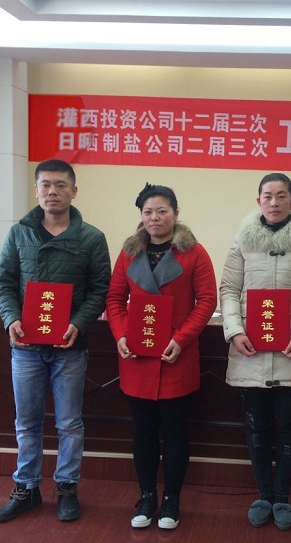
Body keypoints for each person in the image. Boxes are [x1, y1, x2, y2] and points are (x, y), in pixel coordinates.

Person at [0, 159, 111, 523]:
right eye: (45, 185)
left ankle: (67, 488)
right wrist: (11, 319)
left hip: (69, 349)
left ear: (74, 191)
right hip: (26, 348)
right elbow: (3, 282)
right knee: (26, 423)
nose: (52, 192)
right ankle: (26, 488)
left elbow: (101, 290)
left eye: (60, 185)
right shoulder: (19, 233)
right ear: (36, 190)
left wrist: (78, 323)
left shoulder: (91, 237)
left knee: (69, 423)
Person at [219, 173, 291, 531]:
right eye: (267, 195)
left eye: (282, 196)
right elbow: (229, 289)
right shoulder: (243, 239)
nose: (274, 202)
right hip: (249, 349)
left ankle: (282, 496)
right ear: (258, 201)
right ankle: (263, 494)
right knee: (256, 426)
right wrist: (235, 330)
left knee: (288, 426)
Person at [105, 183, 217, 531]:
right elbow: (114, 299)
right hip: (137, 357)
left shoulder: (194, 253)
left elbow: (207, 301)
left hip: (175, 357)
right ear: (141, 216)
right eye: (148, 212)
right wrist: (120, 335)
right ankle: (146, 495)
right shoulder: (129, 254)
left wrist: (181, 339)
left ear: (176, 214)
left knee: (175, 431)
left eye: (162, 211)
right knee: (143, 432)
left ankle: (171, 498)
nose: (154, 217)